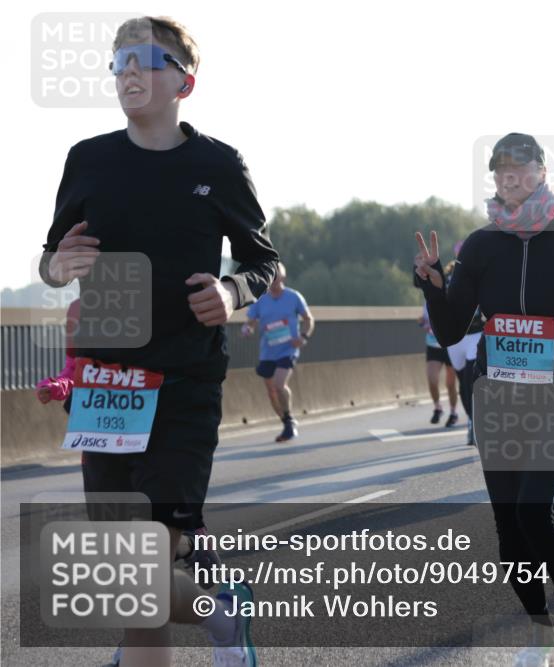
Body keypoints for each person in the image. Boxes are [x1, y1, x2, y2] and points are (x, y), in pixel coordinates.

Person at [39, 17, 277, 667]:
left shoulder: (219, 165)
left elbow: (263, 263)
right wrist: (59, 267)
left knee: (148, 555)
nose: (130, 71)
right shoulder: (87, 159)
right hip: (106, 384)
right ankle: (218, 604)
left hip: (185, 380)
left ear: (184, 82)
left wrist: (232, 293)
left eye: (147, 59)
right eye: (119, 61)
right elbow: (52, 259)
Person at [414, 132, 554, 666]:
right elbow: (450, 328)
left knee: (534, 510)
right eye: (499, 171)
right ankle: (539, 630)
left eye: (519, 167)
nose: (509, 177)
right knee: (509, 532)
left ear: (541, 170)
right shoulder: (483, 244)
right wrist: (432, 285)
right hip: (499, 400)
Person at [241, 261, 314, 442]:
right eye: (271, 276)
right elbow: (249, 322)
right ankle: (286, 422)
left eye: (277, 276)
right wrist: (247, 329)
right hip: (268, 352)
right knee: (272, 391)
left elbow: (308, 319)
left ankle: (288, 419)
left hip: (288, 349)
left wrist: (303, 337)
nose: (274, 280)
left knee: (280, 384)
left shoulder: (293, 297)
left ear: (283, 277)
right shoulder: (261, 299)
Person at [443, 258, 485, 445]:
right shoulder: (446, 279)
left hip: (476, 334)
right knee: (462, 379)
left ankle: (476, 422)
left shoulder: (480, 276)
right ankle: (470, 416)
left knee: (470, 377)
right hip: (455, 336)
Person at [419, 304, 460, 427]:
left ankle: (453, 413)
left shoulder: (451, 295)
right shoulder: (427, 301)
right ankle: (438, 408)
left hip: (450, 346)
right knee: (432, 380)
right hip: (433, 345)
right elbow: (423, 320)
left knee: (450, 384)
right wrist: (422, 323)